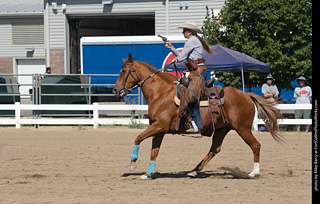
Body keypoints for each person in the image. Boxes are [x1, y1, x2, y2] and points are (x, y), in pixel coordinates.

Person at [165, 20, 214, 133]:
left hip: (198, 72)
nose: (183, 33)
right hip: (195, 72)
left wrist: (175, 59)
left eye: (184, 31)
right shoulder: (193, 40)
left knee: (190, 96)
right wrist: (172, 49)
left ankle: (197, 125)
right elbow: (184, 56)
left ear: (190, 32)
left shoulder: (191, 41)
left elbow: (181, 57)